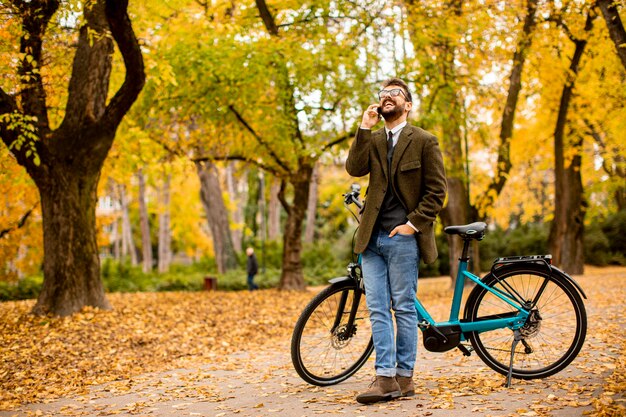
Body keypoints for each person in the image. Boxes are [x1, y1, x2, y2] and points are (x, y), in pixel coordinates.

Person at [345, 78, 447, 404]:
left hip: (402, 237)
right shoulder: (374, 140)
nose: (387, 97)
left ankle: (405, 377)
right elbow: (354, 167)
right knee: (377, 309)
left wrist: (412, 225)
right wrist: (364, 127)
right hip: (371, 239)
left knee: (402, 308)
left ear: (408, 105)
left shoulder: (424, 141)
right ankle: (384, 378)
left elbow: (436, 193)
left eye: (395, 94)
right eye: (383, 94)